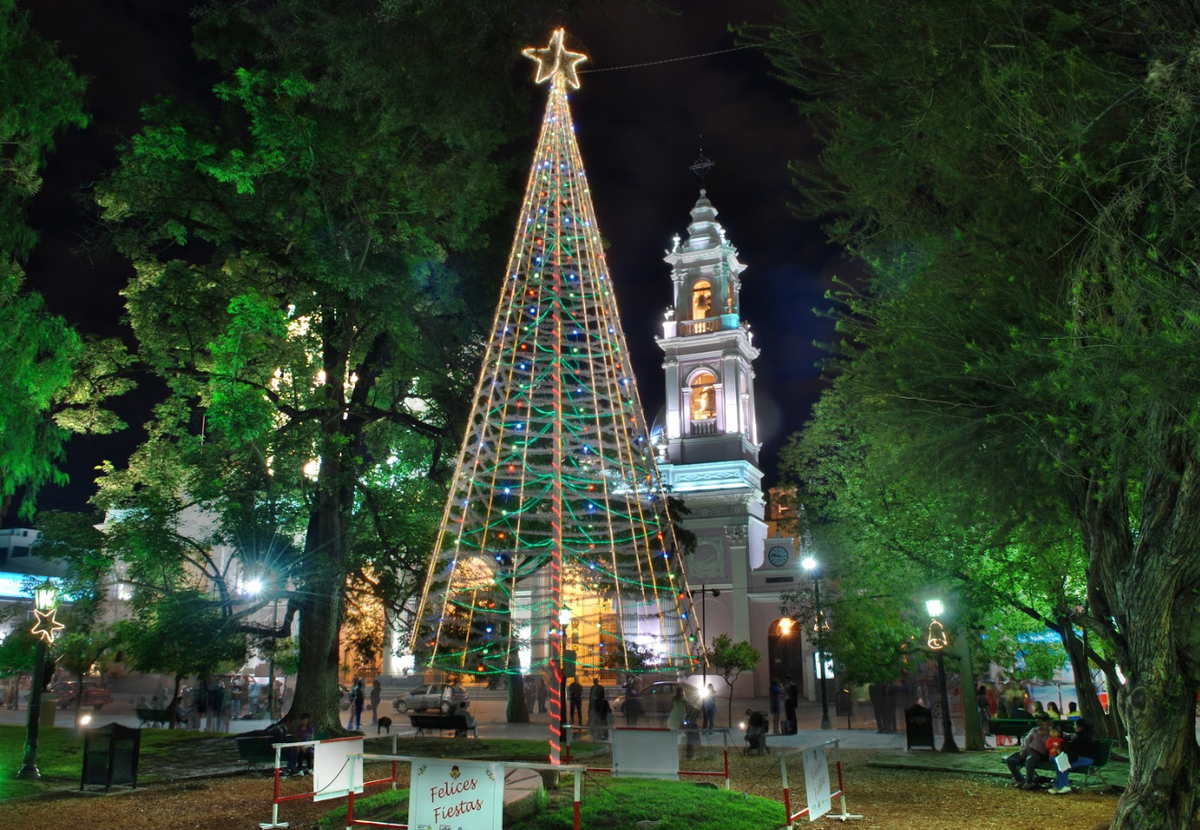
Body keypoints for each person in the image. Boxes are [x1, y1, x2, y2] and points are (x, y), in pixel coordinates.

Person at [1051, 719, 1098, 794]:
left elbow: (1073, 748)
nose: (1074, 727)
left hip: (1085, 759)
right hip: (1082, 758)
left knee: (1064, 766)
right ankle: (1058, 786)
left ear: (1080, 727)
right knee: (1061, 764)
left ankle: (1065, 785)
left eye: (1075, 725)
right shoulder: (1085, 736)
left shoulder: (1081, 737)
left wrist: (1063, 751)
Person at [1005, 717, 1051, 789]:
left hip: (1038, 753)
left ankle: (1029, 782)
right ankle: (1020, 779)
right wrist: (1023, 750)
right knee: (1010, 760)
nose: (1045, 724)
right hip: (1028, 750)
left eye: (1047, 722)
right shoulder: (1034, 731)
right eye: (1043, 721)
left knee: (1029, 761)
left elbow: (1064, 735)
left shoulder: (1051, 733)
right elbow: (1026, 741)